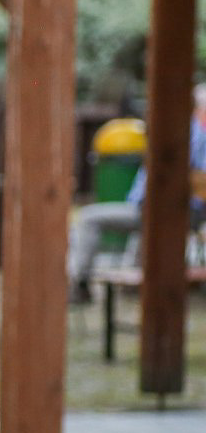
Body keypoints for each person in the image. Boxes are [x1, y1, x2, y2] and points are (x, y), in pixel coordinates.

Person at [68, 81, 206, 299]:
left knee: (88, 218)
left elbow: (196, 184)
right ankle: (126, 285)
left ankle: (80, 284)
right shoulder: (174, 132)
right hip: (151, 211)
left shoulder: (185, 135)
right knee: (138, 226)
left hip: (160, 212)